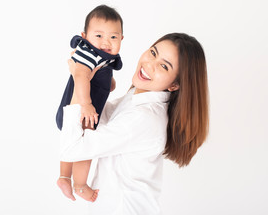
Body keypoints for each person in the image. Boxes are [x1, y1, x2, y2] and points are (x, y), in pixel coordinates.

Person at [59, 33, 209, 214]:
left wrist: (79, 76)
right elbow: (97, 118)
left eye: (163, 66)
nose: (149, 65)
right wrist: (87, 76)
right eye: (153, 53)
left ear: (175, 85)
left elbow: (72, 148)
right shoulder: (139, 96)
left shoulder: (144, 117)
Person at [56, 5, 124, 202]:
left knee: (72, 141)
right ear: (85, 36)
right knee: (86, 145)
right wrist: (86, 104)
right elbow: (81, 76)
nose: (106, 42)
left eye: (113, 37)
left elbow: (100, 72)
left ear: (121, 39)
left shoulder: (102, 56)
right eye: (99, 35)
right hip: (82, 107)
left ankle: (63, 177)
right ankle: (80, 184)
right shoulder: (89, 53)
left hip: (80, 106)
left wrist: (108, 82)